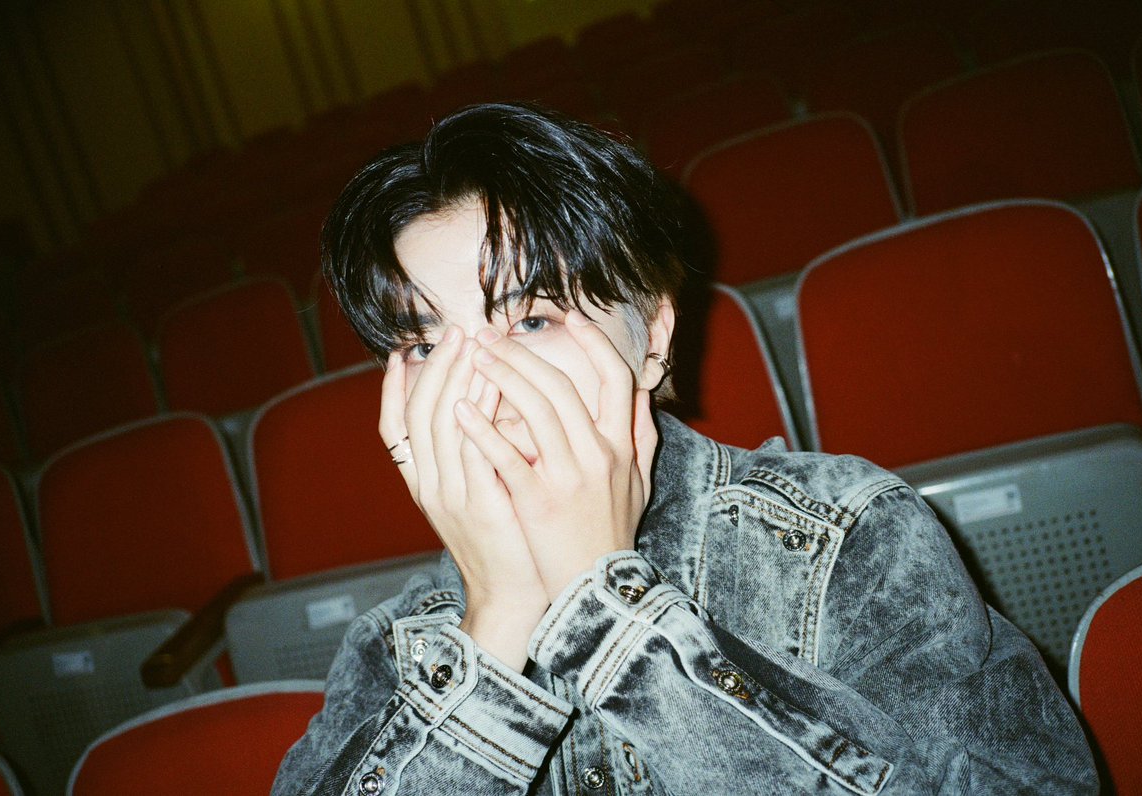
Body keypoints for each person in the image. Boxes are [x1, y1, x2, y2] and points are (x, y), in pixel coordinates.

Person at [272, 103, 1096, 795]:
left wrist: (606, 608)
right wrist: (497, 625)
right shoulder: (396, 642)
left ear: (654, 338)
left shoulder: (846, 537)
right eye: (425, 347)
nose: (478, 388)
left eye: (531, 320)